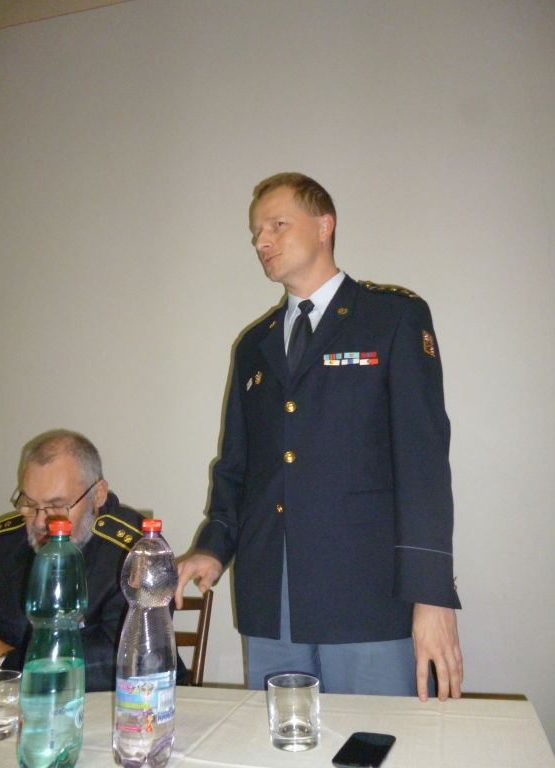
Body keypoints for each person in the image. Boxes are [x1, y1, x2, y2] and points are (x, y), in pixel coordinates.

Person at [176, 172, 463, 700]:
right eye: (256, 232)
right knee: (279, 739)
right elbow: (238, 467)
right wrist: (213, 548)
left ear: (325, 225)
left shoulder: (391, 317)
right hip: (272, 593)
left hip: (367, 594)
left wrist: (432, 595)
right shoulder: (254, 345)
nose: (261, 241)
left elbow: (422, 462)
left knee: (371, 739)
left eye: (277, 225)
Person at [0, 429, 187, 691]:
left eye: (58, 506)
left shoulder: (136, 552)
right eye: (29, 504)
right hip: (12, 701)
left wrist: (7, 661)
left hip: (127, 702)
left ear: (98, 494)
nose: (41, 521)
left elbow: (129, 657)